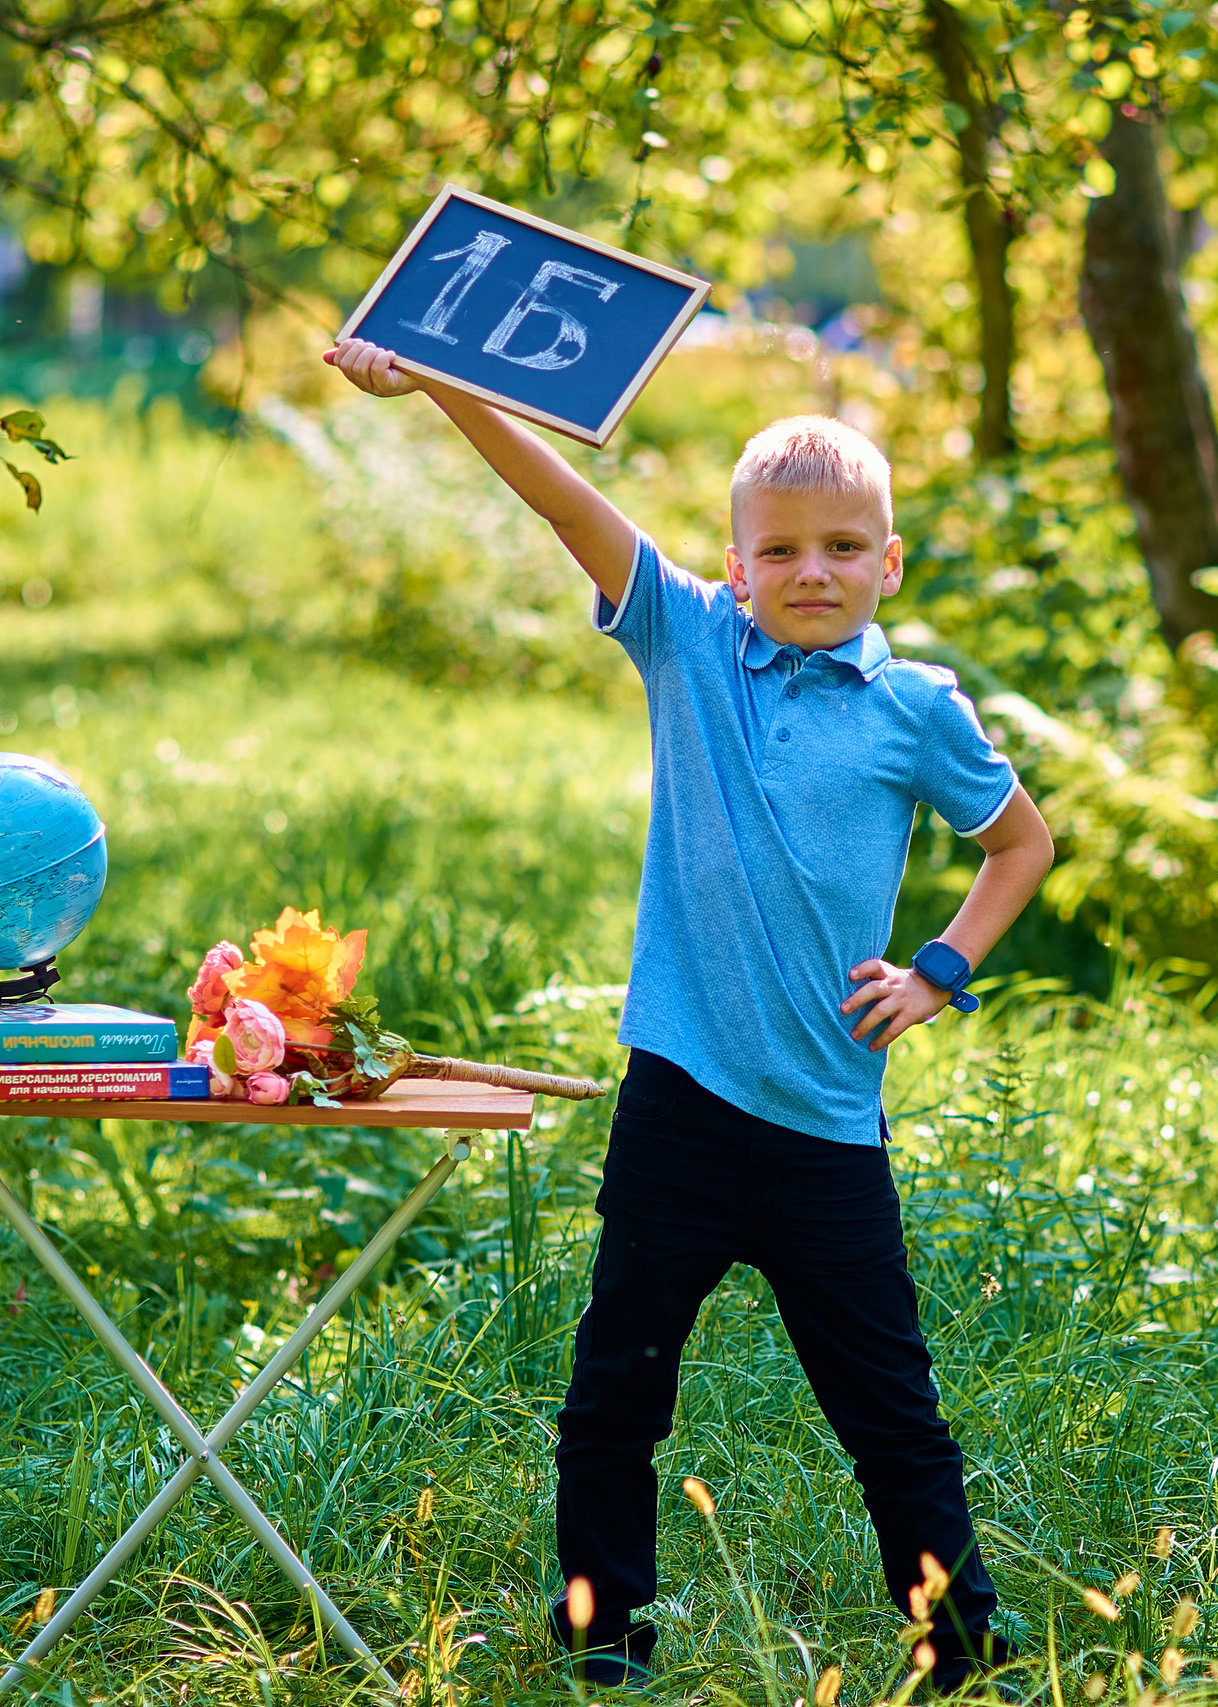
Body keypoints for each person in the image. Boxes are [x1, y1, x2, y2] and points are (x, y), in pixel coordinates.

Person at [326, 335, 1055, 1693]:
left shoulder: (917, 709)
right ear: (736, 566)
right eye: (778, 552)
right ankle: (606, 1634)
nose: (812, 574)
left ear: (890, 565)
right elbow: (566, 505)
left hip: (829, 1127)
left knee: (891, 1412)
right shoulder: (687, 645)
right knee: (616, 1393)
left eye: (845, 548)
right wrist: (441, 385)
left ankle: (958, 1635)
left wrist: (937, 973)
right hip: (680, 1108)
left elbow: (1022, 846)